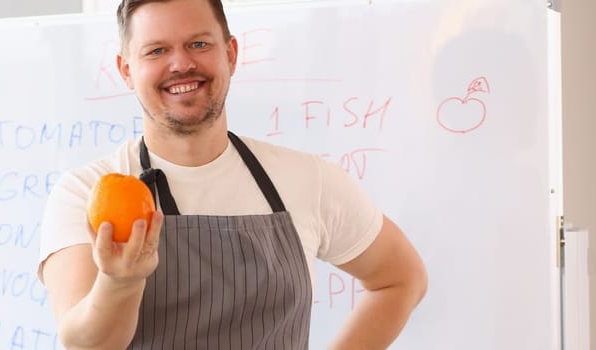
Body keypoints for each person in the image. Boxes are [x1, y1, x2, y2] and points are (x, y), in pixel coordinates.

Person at [37, 0, 428, 348]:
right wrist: (119, 282)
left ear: (231, 54)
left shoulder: (308, 178)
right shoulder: (87, 192)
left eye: (199, 44)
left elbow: (402, 279)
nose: (181, 63)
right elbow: (85, 344)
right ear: (126, 70)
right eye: (157, 50)